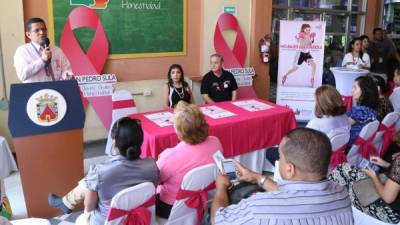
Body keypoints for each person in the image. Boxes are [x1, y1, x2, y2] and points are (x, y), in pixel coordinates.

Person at [211, 128, 353, 225]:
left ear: (290, 169)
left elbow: (218, 219)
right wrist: (257, 177)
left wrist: (221, 188)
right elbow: (296, 197)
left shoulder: (259, 208)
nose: (279, 159)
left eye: (280, 156)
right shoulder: (342, 193)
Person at [48, 117, 159, 225]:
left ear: (114, 142)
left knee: (91, 182)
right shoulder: (152, 166)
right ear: (141, 141)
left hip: (106, 221)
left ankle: (66, 202)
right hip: (141, 219)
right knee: (92, 181)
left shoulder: (100, 171)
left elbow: (89, 207)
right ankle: (66, 202)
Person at [156, 101, 223, 218]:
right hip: (206, 198)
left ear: (179, 132)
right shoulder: (215, 141)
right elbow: (225, 167)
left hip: (173, 208)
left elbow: (155, 179)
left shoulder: (169, 157)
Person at [330, 153, 400, 223]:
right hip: (387, 191)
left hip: (388, 211)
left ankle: (330, 205)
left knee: (347, 184)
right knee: (343, 169)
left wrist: (374, 177)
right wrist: (385, 164)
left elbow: (387, 198)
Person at [14, 18, 73, 83]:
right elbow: (22, 75)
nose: (42, 32)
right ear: (28, 34)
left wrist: (67, 75)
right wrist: (42, 61)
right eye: (37, 30)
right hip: (35, 91)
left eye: (43, 29)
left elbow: (66, 69)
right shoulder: (22, 51)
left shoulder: (57, 50)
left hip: (57, 91)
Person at [346, 76, 379, 147]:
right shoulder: (372, 110)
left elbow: (342, 125)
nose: (352, 90)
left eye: (355, 87)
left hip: (348, 146)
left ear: (363, 91)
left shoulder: (359, 111)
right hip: (359, 147)